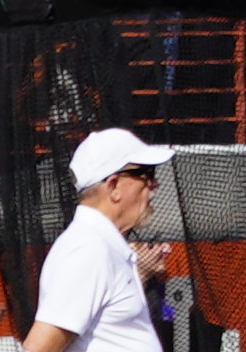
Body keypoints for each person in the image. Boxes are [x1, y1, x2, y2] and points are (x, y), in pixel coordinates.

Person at [33, 131, 176, 352]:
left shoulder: (100, 245)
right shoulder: (89, 248)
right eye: (146, 174)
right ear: (113, 186)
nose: (154, 184)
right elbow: (37, 348)